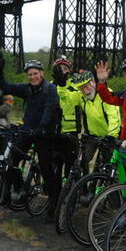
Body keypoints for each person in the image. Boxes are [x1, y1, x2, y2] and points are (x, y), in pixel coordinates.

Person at [0, 51, 60, 222]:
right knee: (11, 160)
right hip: (27, 130)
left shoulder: (50, 89)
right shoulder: (27, 88)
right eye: (30, 74)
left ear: (41, 74)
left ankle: (53, 204)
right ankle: (17, 190)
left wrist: (42, 128)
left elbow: (49, 110)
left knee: (46, 169)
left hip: (44, 133)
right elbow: (7, 88)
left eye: (35, 73)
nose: (32, 77)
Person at [73, 69, 121, 168]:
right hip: (92, 136)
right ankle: (84, 182)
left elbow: (114, 117)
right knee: (81, 163)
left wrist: (111, 136)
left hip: (109, 136)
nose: (85, 91)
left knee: (110, 166)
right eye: (81, 88)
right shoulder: (82, 97)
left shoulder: (106, 94)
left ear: (93, 82)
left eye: (86, 86)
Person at [51, 55, 84, 185]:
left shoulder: (75, 85)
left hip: (70, 131)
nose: (62, 70)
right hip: (53, 130)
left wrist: (63, 85)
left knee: (70, 164)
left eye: (65, 68)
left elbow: (73, 100)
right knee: (54, 164)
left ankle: (69, 191)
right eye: (59, 68)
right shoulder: (49, 85)